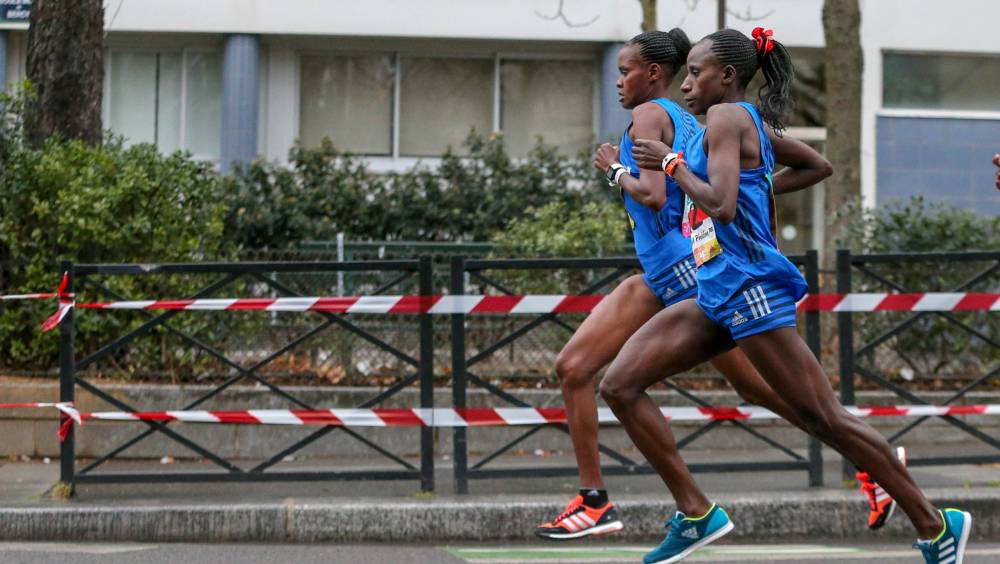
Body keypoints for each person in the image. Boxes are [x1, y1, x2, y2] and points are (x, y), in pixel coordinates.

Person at [614, 27, 972, 564]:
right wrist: (744, 181)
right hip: (716, 291)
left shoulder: (729, 117)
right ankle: (696, 514)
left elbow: (722, 205)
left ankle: (936, 523)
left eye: (696, 73)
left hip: (750, 290)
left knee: (824, 417)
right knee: (620, 384)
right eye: (685, 72)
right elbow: (813, 166)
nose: (687, 84)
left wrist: (670, 164)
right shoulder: (724, 124)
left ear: (727, 76)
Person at [534, 28, 890, 543]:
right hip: (664, 270)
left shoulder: (652, 115)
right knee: (576, 368)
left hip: (682, 274)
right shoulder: (689, 117)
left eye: (624, 70)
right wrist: (751, 185)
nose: (617, 82)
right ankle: (595, 499)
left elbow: (654, 196)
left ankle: (868, 460)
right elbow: (769, 170)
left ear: (654, 73)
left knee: (755, 388)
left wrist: (613, 170)